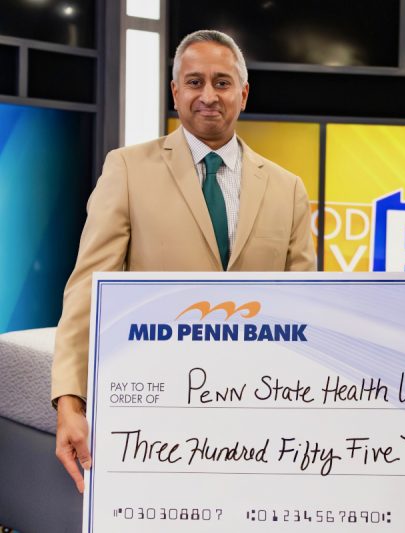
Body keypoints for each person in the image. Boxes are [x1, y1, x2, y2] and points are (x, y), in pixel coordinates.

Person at [51, 30, 316, 492]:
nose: (208, 96)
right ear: (175, 92)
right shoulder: (127, 169)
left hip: (255, 413)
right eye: (194, 82)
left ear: (244, 93)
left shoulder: (287, 187)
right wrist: (69, 403)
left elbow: (303, 310)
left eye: (222, 82)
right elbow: (87, 291)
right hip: (150, 411)